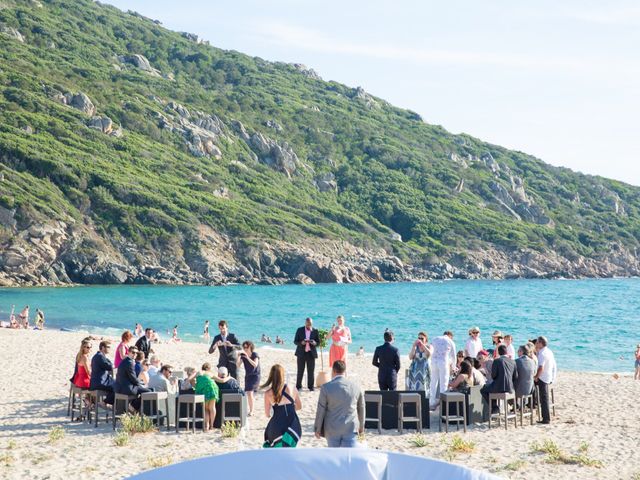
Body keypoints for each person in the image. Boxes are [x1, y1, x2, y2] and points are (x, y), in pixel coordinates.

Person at [314, 360, 364, 447]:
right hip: (350, 428)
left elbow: (321, 409)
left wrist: (317, 429)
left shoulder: (326, 387)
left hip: (332, 429)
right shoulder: (356, 387)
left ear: (333, 371)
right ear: (344, 371)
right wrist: (361, 428)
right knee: (348, 458)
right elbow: (361, 408)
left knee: (334, 458)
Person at [262, 364, 302, 448]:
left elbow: (267, 414)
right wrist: (289, 409)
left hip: (277, 426)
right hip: (292, 425)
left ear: (271, 376)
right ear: (282, 375)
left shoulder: (268, 393)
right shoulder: (291, 387)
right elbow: (299, 406)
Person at [481, 344, 518, 412]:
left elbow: (493, 376)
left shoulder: (497, 361)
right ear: (506, 352)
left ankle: (494, 407)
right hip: (510, 388)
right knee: (491, 388)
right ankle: (497, 407)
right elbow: (515, 377)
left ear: (498, 352)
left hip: (499, 388)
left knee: (483, 389)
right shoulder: (513, 361)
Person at [114, 346, 152, 412]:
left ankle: (134, 407)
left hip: (120, 388)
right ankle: (134, 407)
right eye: (133, 352)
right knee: (149, 392)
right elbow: (133, 378)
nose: (135, 354)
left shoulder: (124, 361)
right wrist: (141, 383)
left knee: (146, 389)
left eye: (136, 353)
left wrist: (139, 383)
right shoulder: (129, 362)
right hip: (127, 388)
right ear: (128, 352)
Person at [429, 331, 456, 408]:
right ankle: (442, 404)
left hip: (434, 362)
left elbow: (431, 349)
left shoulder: (435, 339)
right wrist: (453, 367)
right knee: (443, 384)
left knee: (433, 382)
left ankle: (431, 402)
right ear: (450, 336)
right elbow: (454, 356)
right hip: (443, 363)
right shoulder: (450, 341)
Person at [534, 336, 557, 424]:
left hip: (543, 377)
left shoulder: (542, 353)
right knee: (544, 397)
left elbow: (541, 367)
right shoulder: (549, 351)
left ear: (540, 343)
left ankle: (546, 418)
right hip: (548, 376)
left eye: (537, 342)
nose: (536, 344)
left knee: (544, 398)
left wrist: (536, 376)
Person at [293, 317, 320, 391]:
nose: (308, 325)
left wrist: (315, 343)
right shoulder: (299, 330)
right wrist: (301, 343)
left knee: (311, 371)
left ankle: (310, 387)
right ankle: (298, 386)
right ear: (305, 323)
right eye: (307, 324)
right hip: (301, 353)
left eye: (310, 324)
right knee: (300, 370)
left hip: (311, 354)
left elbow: (318, 342)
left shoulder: (315, 330)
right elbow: (295, 341)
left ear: (312, 323)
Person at [237, 340, 260, 415]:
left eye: (246, 347)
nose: (245, 349)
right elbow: (238, 365)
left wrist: (247, 357)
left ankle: (251, 411)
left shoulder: (254, 354)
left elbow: (255, 364)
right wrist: (238, 357)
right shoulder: (243, 356)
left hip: (255, 375)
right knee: (249, 393)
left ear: (250, 347)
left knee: (250, 393)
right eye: (244, 347)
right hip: (248, 376)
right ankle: (251, 409)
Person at [195, 363, 219, 432]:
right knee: (212, 408)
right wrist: (229, 377)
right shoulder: (210, 373)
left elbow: (191, 379)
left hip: (202, 390)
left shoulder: (199, 372)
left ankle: (206, 426)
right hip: (212, 389)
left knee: (205, 409)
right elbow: (222, 380)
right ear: (209, 368)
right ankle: (212, 426)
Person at [90, 340, 115, 405]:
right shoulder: (100, 356)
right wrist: (109, 361)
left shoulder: (97, 356)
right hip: (100, 383)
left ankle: (106, 401)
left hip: (96, 382)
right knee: (118, 387)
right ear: (103, 348)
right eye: (108, 347)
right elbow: (109, 367)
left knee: (116, 385)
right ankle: (105, 402)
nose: (110, 349)